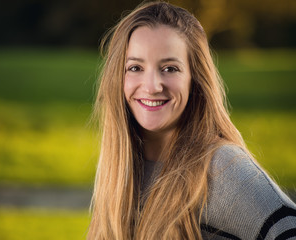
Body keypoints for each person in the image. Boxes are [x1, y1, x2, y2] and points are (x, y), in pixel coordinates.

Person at [87, 1, 296, 239]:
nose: (153, 86)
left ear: (194, 79)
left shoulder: (222, 168)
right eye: (135, 67)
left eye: (170, 68)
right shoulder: (121, 166)